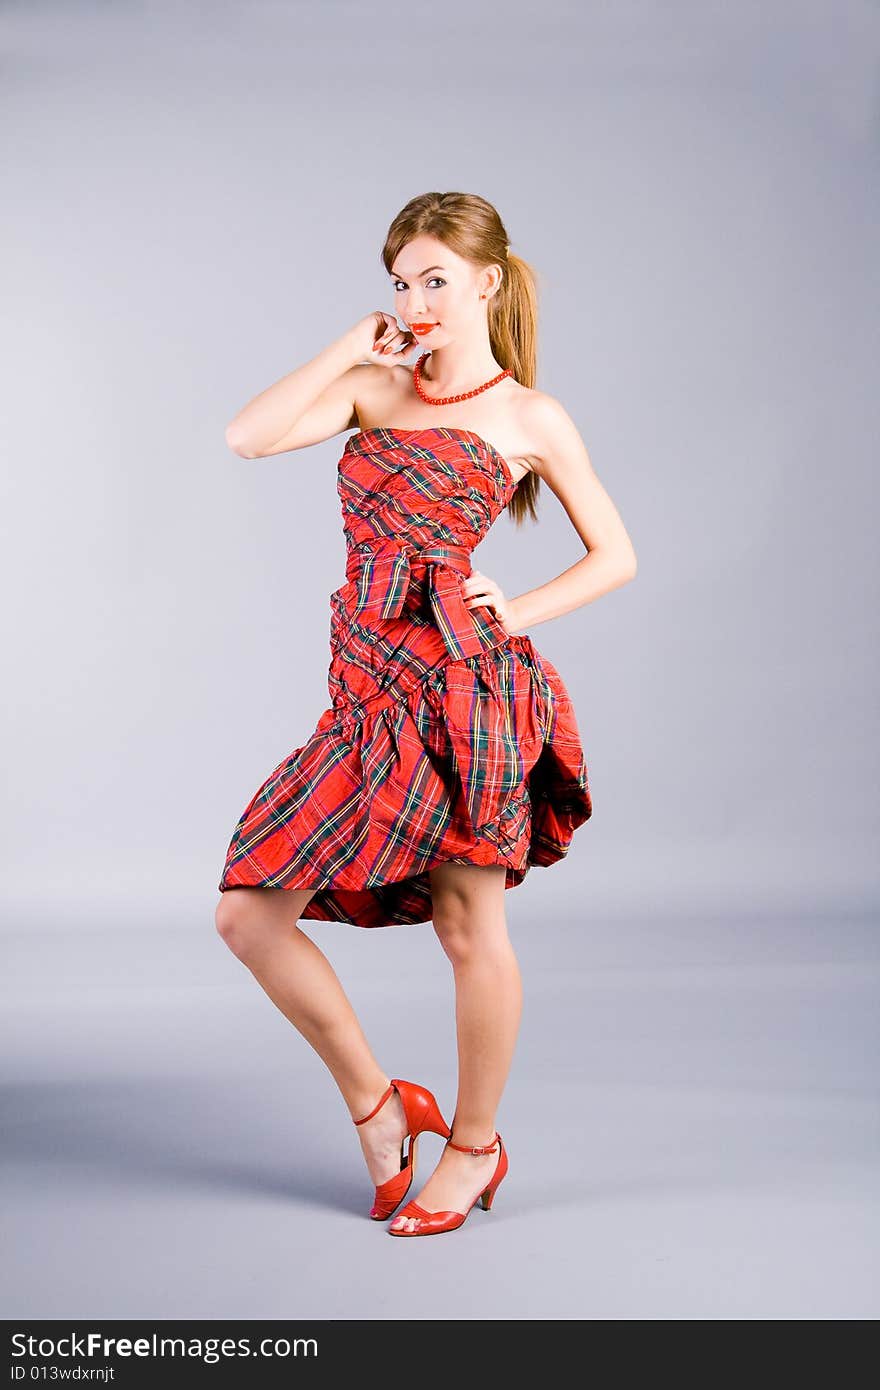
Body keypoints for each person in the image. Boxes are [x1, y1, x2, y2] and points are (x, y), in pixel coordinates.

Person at [214, 191, 637, 1237]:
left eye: (435, 279)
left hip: (463, 689)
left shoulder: (529, 417)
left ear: (487, 281)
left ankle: (475, 1144)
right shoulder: (375, 387)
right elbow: (246, 437)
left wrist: (517, 610)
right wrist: (344, 347)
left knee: (465, 923)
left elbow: (616, 555)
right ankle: (379, 1100)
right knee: (246, 910)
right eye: (401, 281)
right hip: (363, 686)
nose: (416, 301)